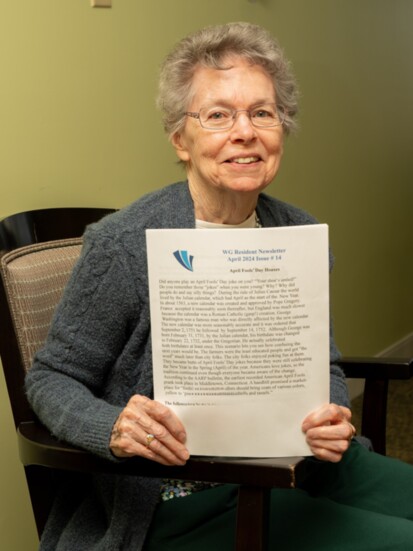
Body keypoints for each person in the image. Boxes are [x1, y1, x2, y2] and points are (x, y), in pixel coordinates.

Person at [26, 21, 413, 551]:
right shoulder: (123, 244)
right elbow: (50, 379)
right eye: (218, 115)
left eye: (262, 112)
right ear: (180, 139)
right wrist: (112, 425)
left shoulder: (296, 231)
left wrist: (333, 412)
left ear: (281, 129)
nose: (245, 132)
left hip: (303, 463)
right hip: (182, 494)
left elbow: (321, 364)